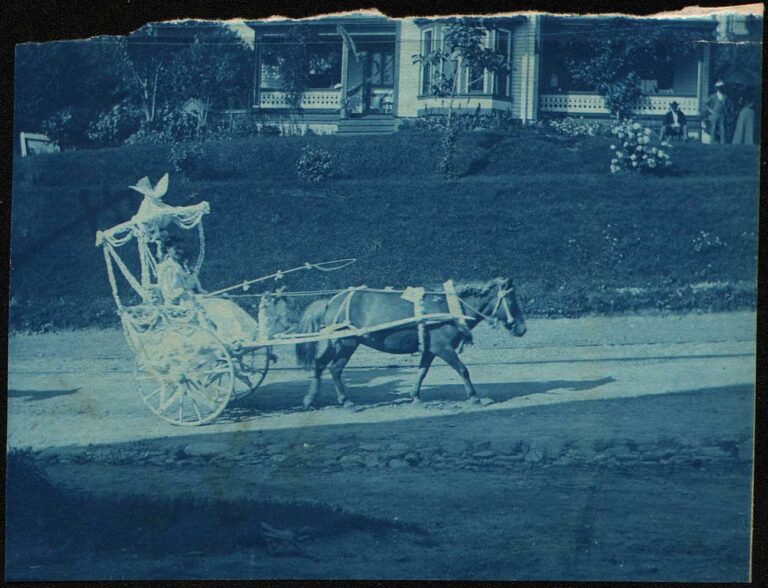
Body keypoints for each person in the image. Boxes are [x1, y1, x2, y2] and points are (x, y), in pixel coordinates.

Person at [155, 236, 262, 346]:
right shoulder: (168, 268)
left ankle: (244, 335)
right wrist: (195, 297)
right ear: (168, 249)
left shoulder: (184, 266)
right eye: (177, 248)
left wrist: (215, 295)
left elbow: (199, 290)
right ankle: (229, 338)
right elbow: (173, 293)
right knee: (219, 307)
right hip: (181, 304)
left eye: (182, 248)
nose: (180, 251)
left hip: (194, 300)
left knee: (226, 303)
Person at [703, 80, 735, 144]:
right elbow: (705, 104)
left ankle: (722, 142)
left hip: (722, 115)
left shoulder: (725, 97)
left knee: (722, 128)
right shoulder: (713, 96)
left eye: (721, 87)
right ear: (716, 88)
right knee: (713, 128)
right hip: (714, 114)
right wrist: (710, 110)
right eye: (718, 87)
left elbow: (730, 105)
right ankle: (712, 142)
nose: (720, 89)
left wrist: (729, 112)